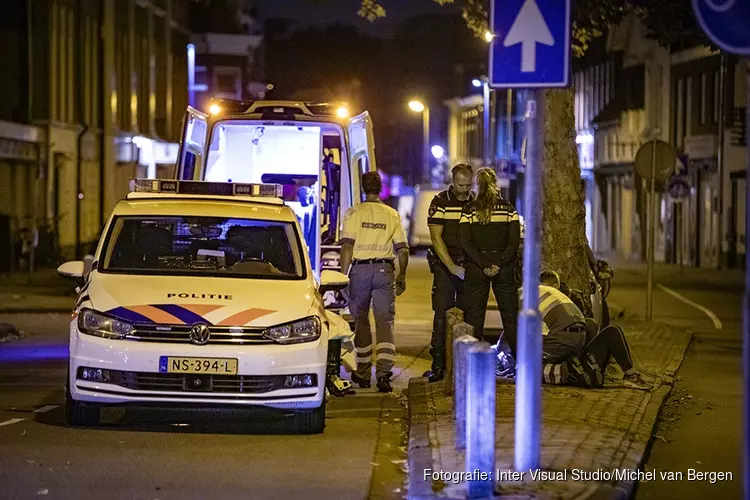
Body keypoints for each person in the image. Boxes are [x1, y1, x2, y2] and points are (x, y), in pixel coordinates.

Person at [340, 171, 410, 393]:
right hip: (383, 271)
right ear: (380, 189)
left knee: (360, 320)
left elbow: (347, 247)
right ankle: (383, 374)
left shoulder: (353, 213)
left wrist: (342, 277)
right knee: (385, 322)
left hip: (359, 272)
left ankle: (362, 372)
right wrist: (401, 276)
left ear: (363, 187)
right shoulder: (391, 214)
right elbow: (403, 250)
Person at [532, 273, 652, 390]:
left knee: (612, 331)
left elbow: (585, 329)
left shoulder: (572, 299)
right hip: (569, 361)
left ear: (556, 286)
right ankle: (593, 371)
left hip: (582, 354)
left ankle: (630, 375)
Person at [459, 167, 520, 353]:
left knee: (474, 318)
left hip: (477, 268)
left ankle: (472, 365)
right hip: (504, 267)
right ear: (495, 183)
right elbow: (514, 242)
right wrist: (499, 264)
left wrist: (484, 264)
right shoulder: (509, 209)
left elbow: (466, 242)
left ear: (477, 185)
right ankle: (520, 364)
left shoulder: (469, 210)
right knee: (510, 318)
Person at [423, 163, 474, 382]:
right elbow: (436, 239)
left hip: (470, 266)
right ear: (453, 182)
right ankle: (438, 365)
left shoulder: (476, 202)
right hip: (446, 265)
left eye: (468, 185)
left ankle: (466, 367)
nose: (464, 190)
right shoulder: (440, 202)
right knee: (442, 314)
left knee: (471, 316)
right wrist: (452, 267)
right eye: (461, 185)